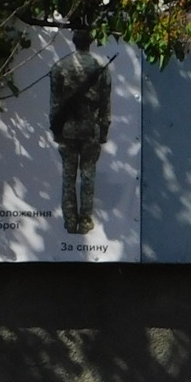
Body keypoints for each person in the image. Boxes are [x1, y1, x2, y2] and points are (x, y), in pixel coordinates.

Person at [49, 23, 113, 235]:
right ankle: (85, 221)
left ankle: (69, 221)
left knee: (68, 177)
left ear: (74, 41)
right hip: (90, 129)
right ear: (91, 41)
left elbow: (55, 103)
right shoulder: (100, 66)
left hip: (67, 129)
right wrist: (104, 131)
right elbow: (105, 104)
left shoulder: (60, 66)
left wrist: (55, 129)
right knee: (88, 176)